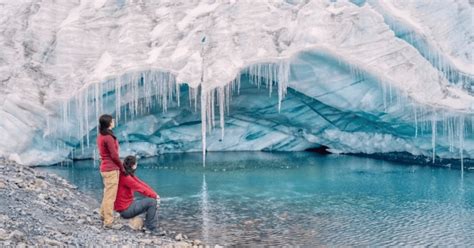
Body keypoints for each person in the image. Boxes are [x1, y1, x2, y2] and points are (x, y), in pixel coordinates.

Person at [115, 156, 160, 232]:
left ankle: (148, 223)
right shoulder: (126, 178)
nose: (136, 166)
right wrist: (155, 197)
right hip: (125, 211)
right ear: (133, 165)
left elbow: (141, 184)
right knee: (152, 202)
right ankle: (151, 228)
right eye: (136, 164)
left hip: (125, 206)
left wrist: (155, 194)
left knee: (151, 200)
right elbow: (140, 188)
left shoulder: (126, 174)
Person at [97, 114, 124, 228]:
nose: (113, 121)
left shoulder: (101, 136)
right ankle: (108, 221)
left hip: (105, 168)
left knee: (107, 193)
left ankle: (103, 214)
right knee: (110, 196)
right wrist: (121, 166)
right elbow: (114, 155)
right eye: (112, 120)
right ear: (108, 123)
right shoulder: (108, 137)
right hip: (111, 169)